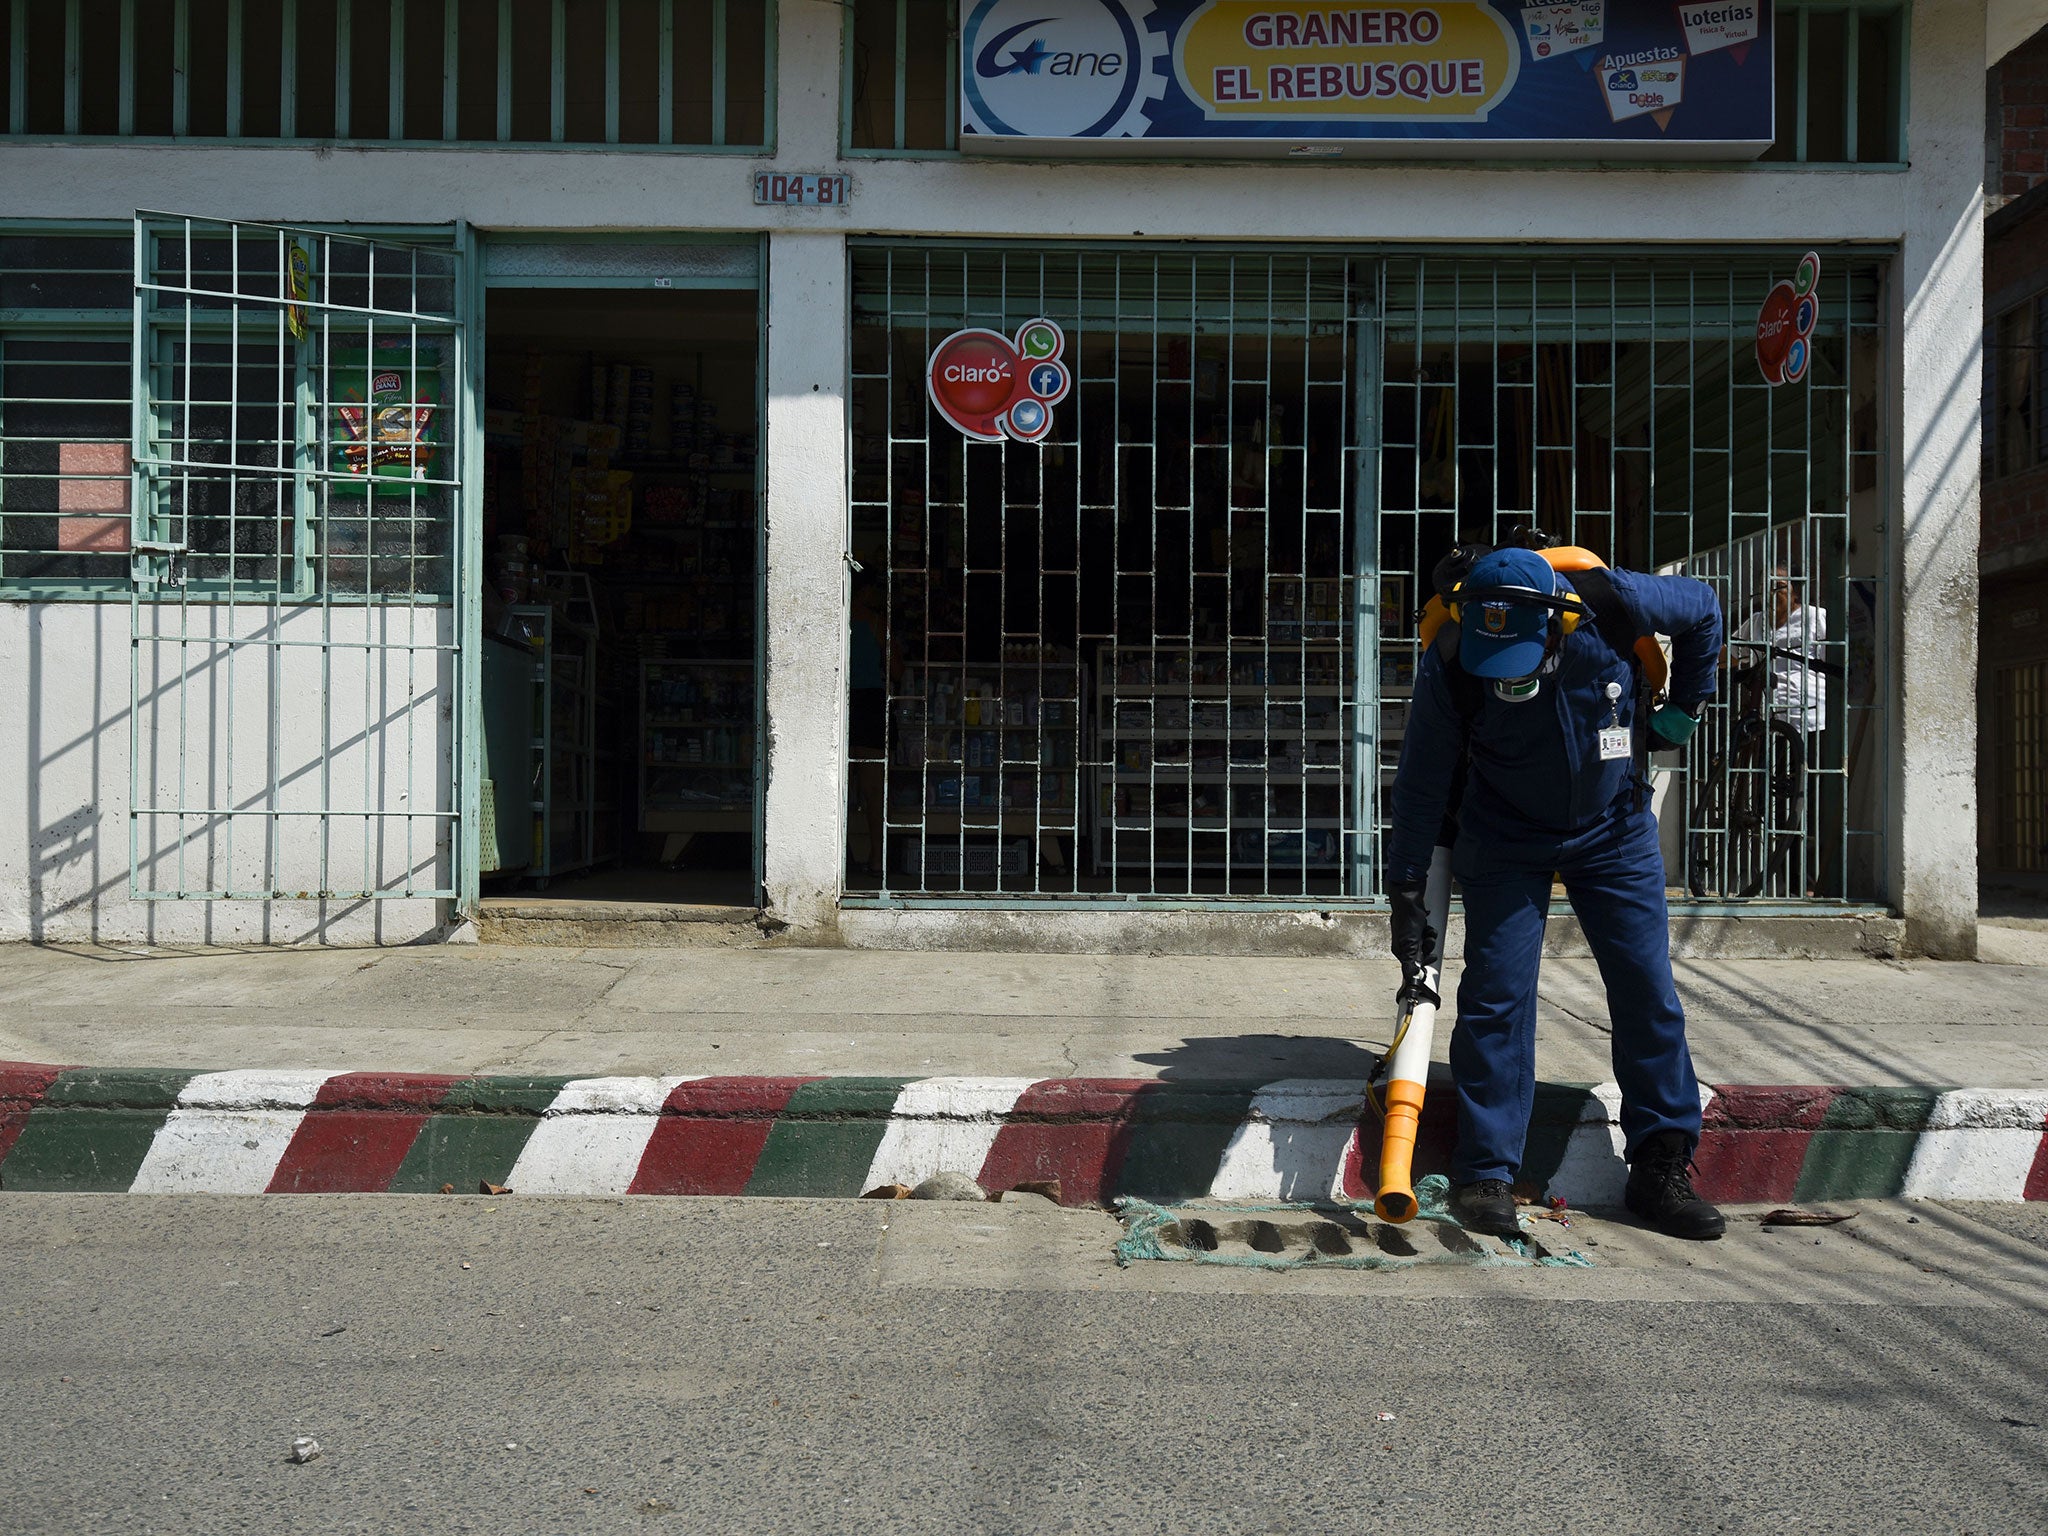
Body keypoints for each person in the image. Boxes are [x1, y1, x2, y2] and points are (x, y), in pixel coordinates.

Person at [1387, 546, 1728, 1240]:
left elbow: (1706, 612)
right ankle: (1486, 1171)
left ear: (1557, 622)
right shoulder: (1452, 655)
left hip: (1615, 827)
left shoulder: (1613, 600)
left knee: (1645, 988)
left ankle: (1661, 1163)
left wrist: (1686, 706)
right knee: (1496, 996)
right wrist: (1406, 891)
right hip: (1505, 830)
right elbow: (1421, 783)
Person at [1730, 564, 1828, 895]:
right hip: (1768, 725)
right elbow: (1731, 655)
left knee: (1808, 804)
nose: (1772, 592)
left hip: (1810, 720)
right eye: (1767, 585)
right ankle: (1791, 882)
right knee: (1773, 806)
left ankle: (1813, 881)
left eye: (1779, 586)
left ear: (1796, 591)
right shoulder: (1755, 623)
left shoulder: (1817, 619)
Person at [847, 577, 899, 880]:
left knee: (835, 784)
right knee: (873, 789)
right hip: (869, 704)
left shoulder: (833, 617)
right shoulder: (876, 622)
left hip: (838, 700)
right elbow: (897, 670)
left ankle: (836, 858)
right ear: (865, 589)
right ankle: (878, 860)